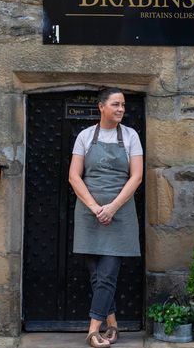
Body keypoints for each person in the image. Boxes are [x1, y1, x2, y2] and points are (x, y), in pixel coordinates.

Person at [68, 87, 143, 348]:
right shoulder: (85, 136)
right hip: (89, 215)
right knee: (97, 276)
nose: (121, 109)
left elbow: (137, 177)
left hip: (120, 214)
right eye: (115, 104)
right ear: (101, 106)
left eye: (123, 104)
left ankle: (92, 331)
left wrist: (112, 208)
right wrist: (95, 207)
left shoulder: (131, 136)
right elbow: (74, 176)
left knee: (108, 275)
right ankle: (112, 324)